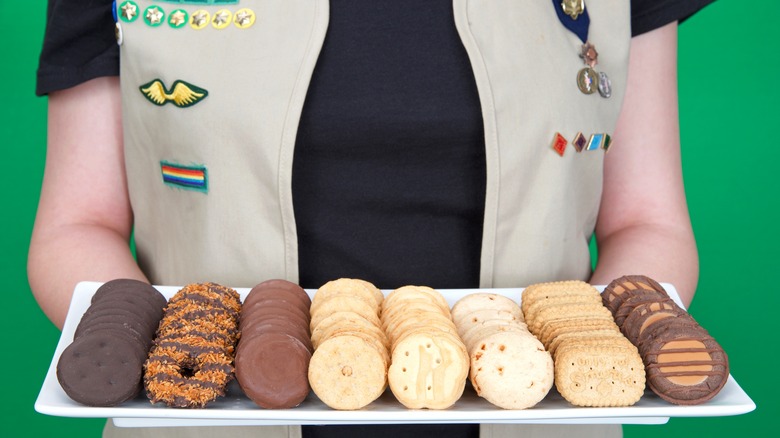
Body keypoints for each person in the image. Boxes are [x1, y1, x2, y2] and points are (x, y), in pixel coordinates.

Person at [29, 0, 713, 437]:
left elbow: (648, 223)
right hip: (208, 421)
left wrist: (589, 360)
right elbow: (75, 226)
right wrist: (175, 366)